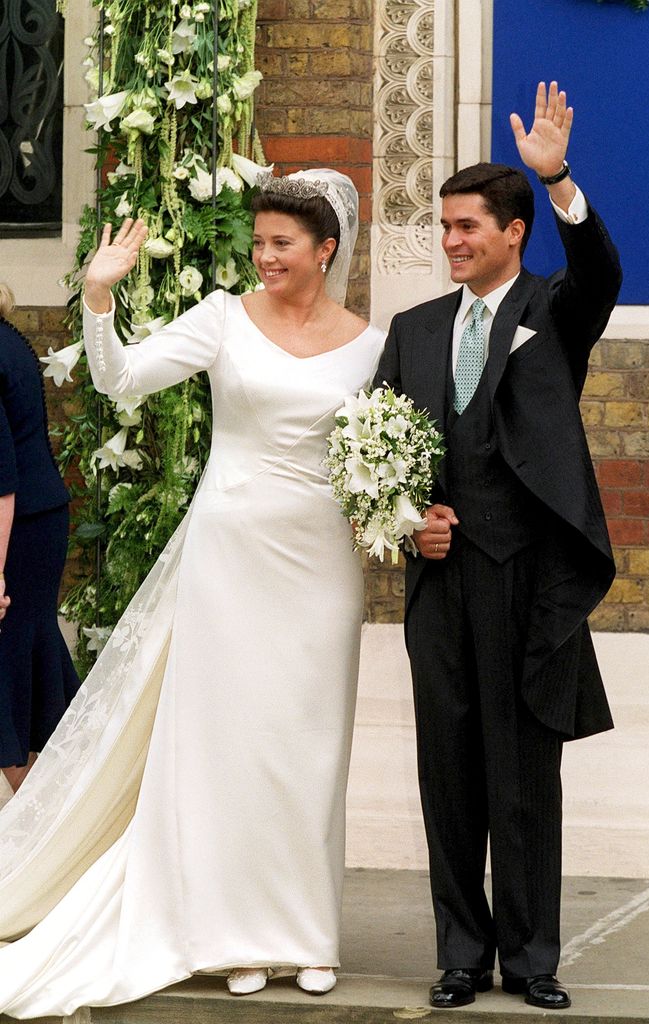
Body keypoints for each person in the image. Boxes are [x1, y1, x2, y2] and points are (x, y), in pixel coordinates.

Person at [0, 169, 385, 1016]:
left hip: (320, 564)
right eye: (259, 245)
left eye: (282, 245)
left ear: (326, 250)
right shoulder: (223, 318)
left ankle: (306, 933)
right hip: (228, 552)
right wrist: (99, 301)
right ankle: (232, 931)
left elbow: (384, 454)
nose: (265, 258)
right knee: (231, 744)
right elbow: (120, 380)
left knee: (307, 748)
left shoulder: (370, 343)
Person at [374, 82, 622, 1010]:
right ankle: (457, 954)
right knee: (448, 771)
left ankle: (531, 961)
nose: (450, 241)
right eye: (443, 227)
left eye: (466, 226)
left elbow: (599, 273)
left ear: (512, 232)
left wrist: (557, 179)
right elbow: (379, 454)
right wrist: (411, 520)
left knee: (523, 778)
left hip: (528, 582)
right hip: (440, 586)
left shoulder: (555, 311)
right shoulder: (412, 330)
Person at [0, 284, 80, 796]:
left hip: (18, 527)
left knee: (10, 662)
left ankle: (44, 814)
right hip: (35, 518)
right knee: (22, 659)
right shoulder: (7, 338)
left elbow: (1, 479)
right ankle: (49, 806)